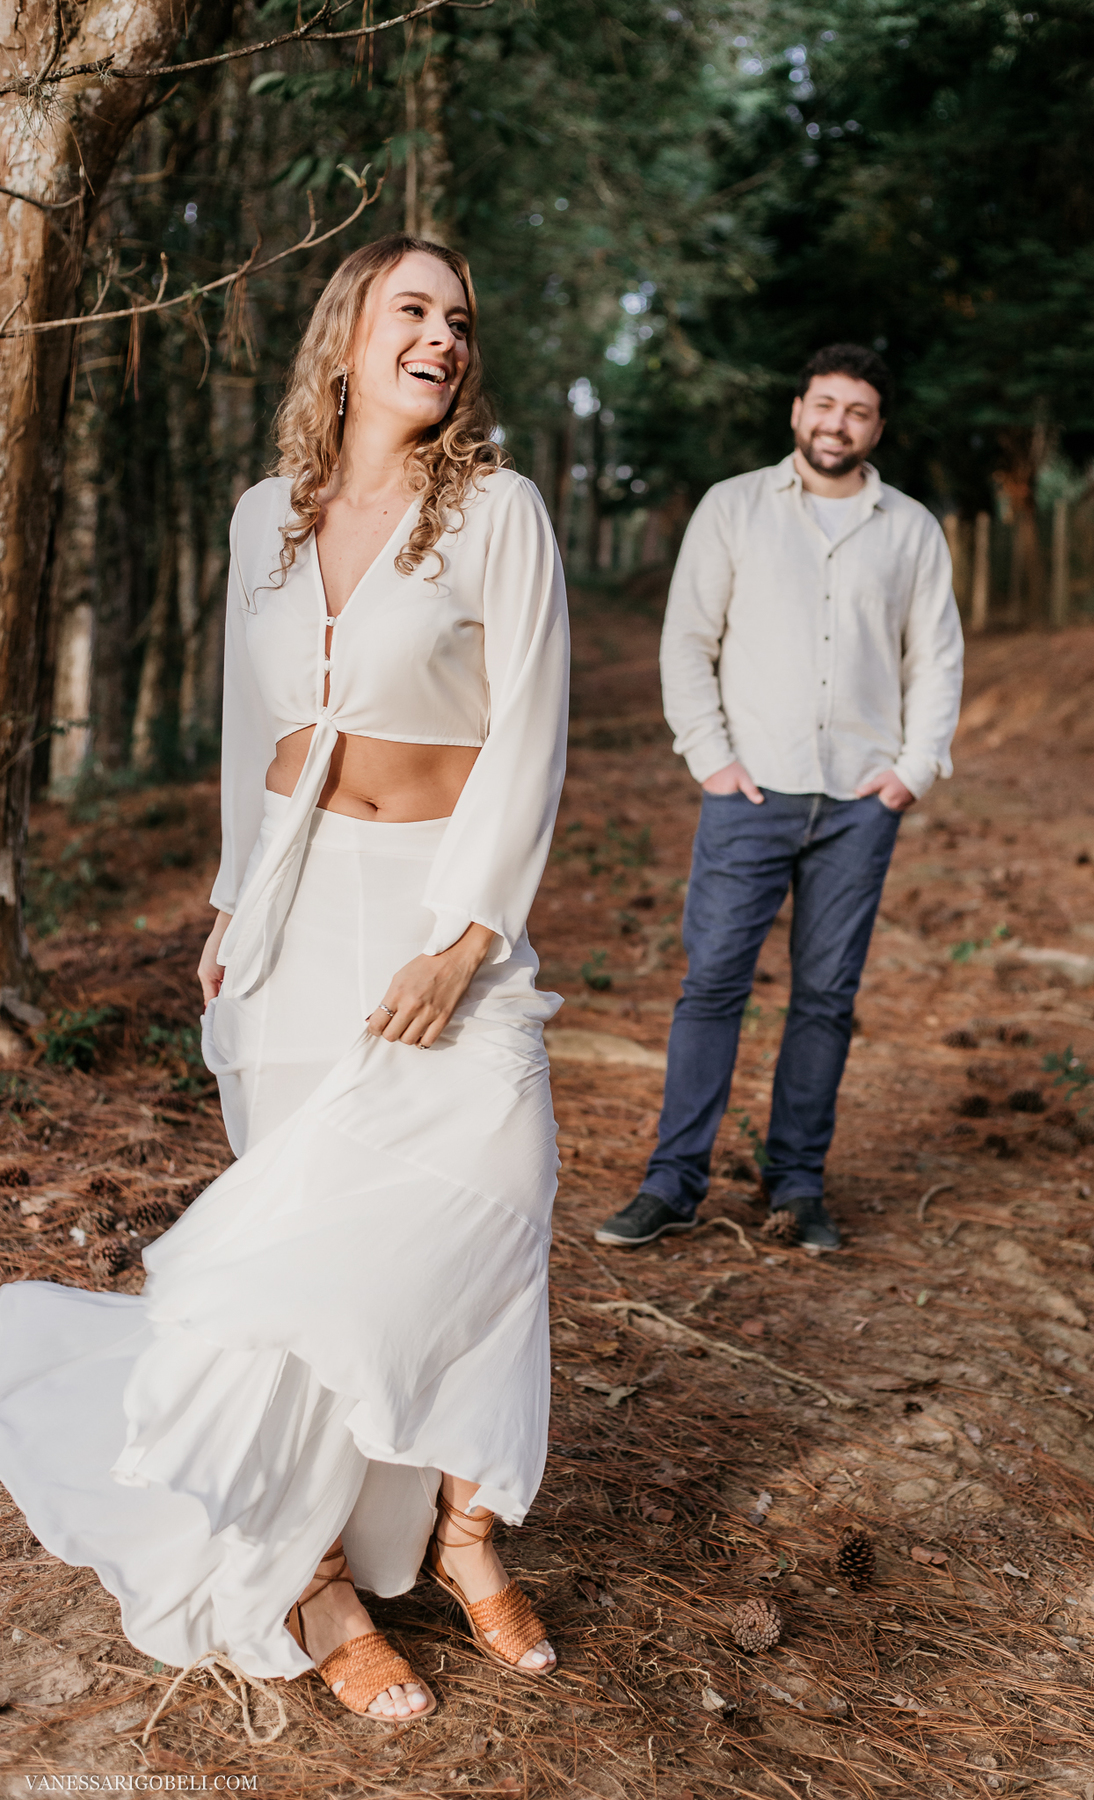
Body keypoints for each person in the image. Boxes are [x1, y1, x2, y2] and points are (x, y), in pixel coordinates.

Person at [0, 235, 569, 1726]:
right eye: (413, 309)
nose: (443, 336)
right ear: (347, 337)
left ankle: (463, 1532)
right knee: (300, 1261)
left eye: (460, 318)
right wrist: (231, 903)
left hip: (438, 900)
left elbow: (530, 735)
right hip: (293, 919)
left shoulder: (496, 512)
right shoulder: (268, 515)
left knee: (494, 1210)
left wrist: (464, 941)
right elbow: (251, 732)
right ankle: (312, 1580)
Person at [595, 344, 963, 1254]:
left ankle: (797, 1185)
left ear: (878, 428)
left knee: (826, 998)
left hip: (859, 804)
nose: (838, 424)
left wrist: (912, 771)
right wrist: (712, 759)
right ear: (797, 410)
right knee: (712, 984)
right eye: (825, 404)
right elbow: (688, 640)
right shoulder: (733, 508)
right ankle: (673, 1182)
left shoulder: (911, 529)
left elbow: (936, 658)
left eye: (858, 411)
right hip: (749, 793)